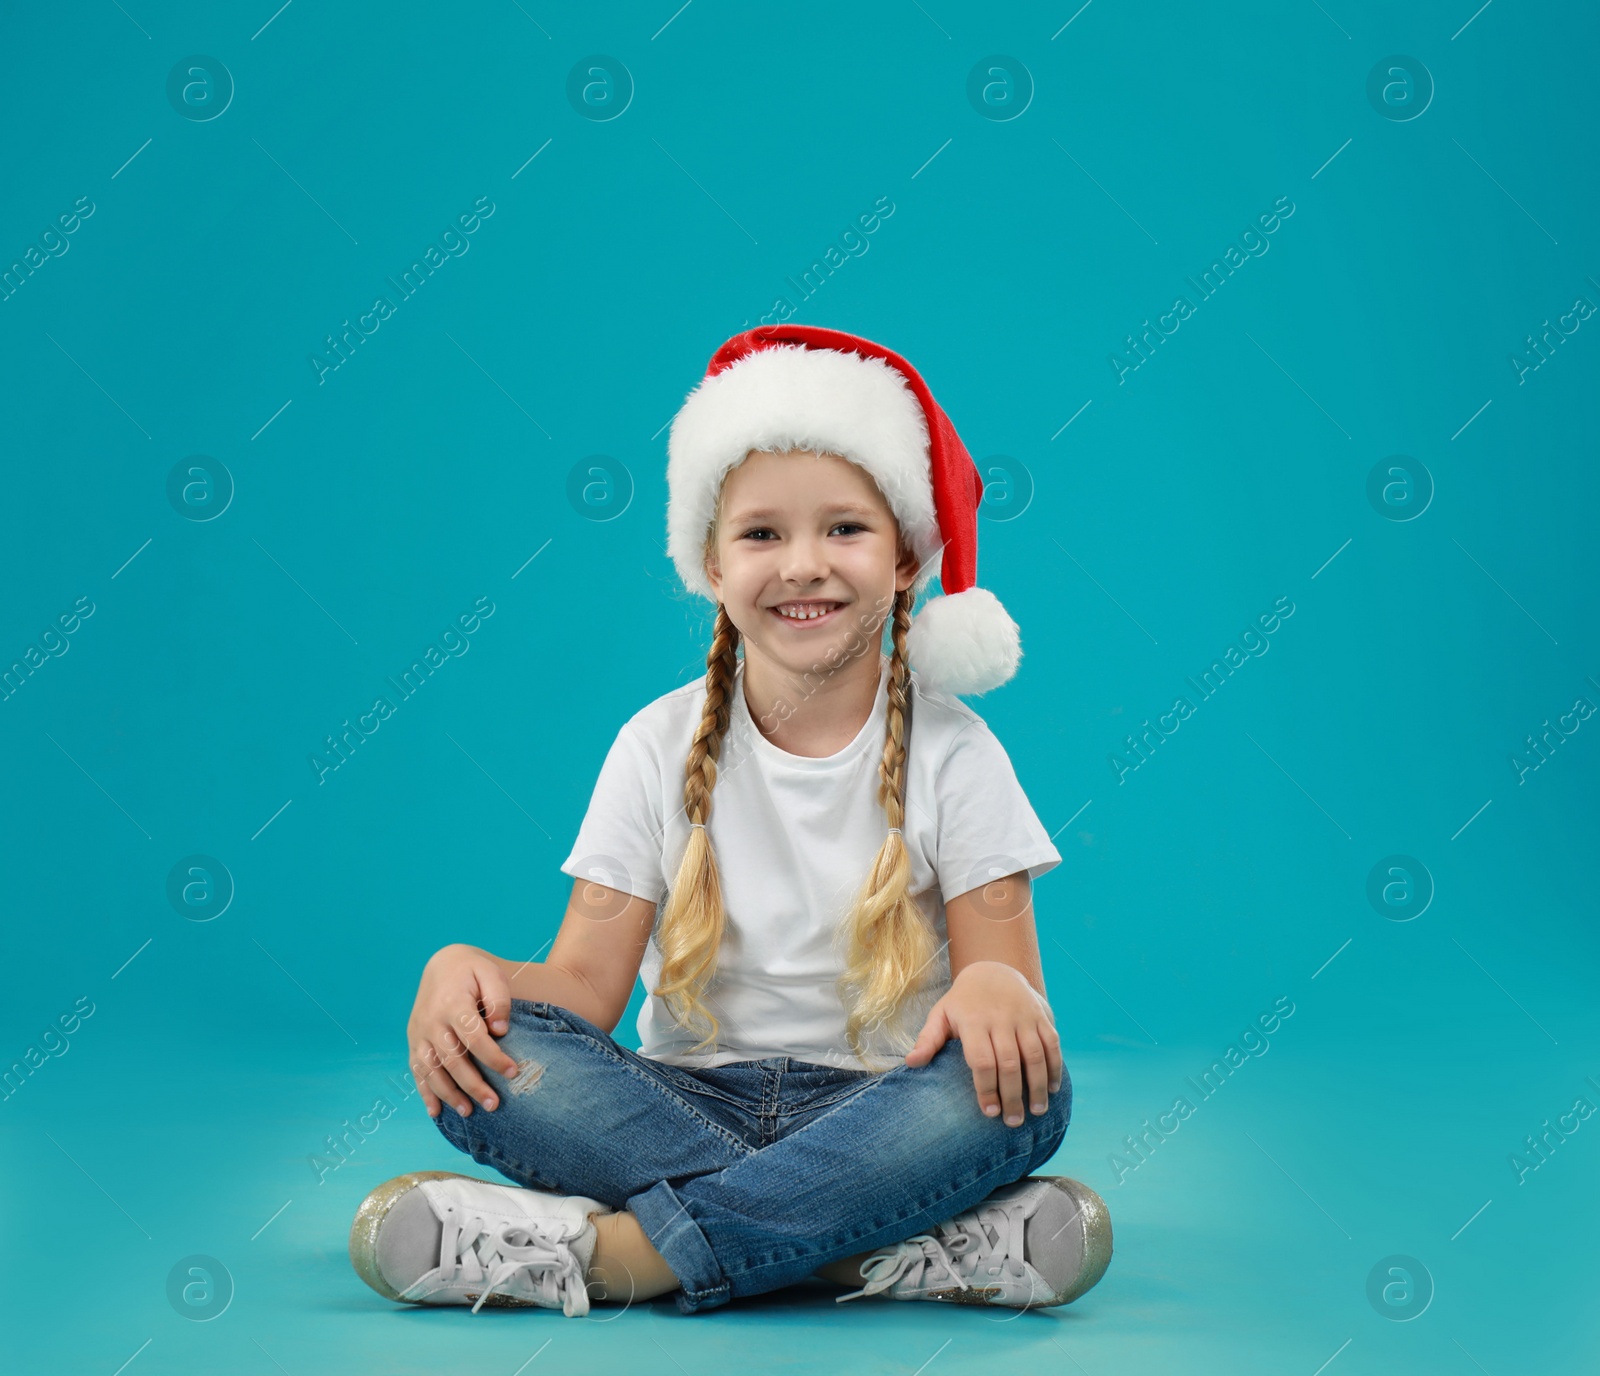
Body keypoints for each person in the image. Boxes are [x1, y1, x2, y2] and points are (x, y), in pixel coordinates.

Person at [348, 324, 1113, 1318]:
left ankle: (612, 1255)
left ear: (903, 562)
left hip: (881, 1104)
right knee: (497, 1060)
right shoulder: (652, 743)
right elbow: (580, 987)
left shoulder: (958, 752)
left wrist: (998, 990)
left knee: (1018, 1089)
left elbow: (1002, 988)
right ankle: (871, 1243)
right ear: (709, 562)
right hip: (679, 1101)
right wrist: (465, 972)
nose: (803, 564)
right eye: (762, 534)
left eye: (845, 528)